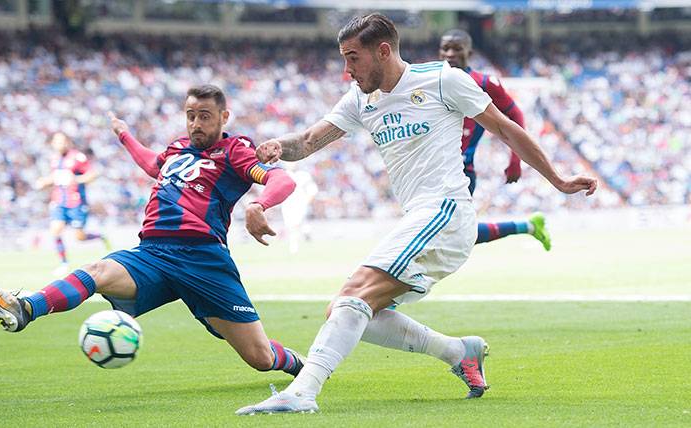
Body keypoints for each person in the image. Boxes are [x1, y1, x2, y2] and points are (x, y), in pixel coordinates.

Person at [237, 14, 597, 415]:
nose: (347, 69)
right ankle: (459, 351)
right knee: (348, 309)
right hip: (420, 217)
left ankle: (303, 391)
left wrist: (558, 179)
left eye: (353, 58)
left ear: (384, 51)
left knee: (354, 296)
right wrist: (275, 147)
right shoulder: (361, 98)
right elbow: (306, 141)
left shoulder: (443, 79)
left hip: (446, 210)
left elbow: (506, 128)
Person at [0, 84, 305, 378]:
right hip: (153, 254)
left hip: (203, 260)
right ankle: (25, 308)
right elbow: (151, 164)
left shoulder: (235, 151)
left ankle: (300, 365)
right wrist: (124, 135)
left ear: (224, 116)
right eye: (190, 115)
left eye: (205, 116)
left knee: (259, 357)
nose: (196, 124)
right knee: (97, 270)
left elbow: (281, 179)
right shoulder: (176, 149)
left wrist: (259, 206)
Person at [439, 29, 550, 250]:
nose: (450, 53)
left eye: (457, 49)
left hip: (461, 171)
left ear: (469, 51)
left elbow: (515, 115)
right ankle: (528, 226)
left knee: (446, 234)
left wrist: (516, 159)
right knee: (454, 235)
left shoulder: (484, 83)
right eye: (445, 49)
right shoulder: (429, 81)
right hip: (431, 170)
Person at [35, 132, 110, 275]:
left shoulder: (78, 157)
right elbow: (55, 177)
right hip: (58, 201)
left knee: (79, 237)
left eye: (62, 141)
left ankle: (100, 236)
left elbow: (92, 174)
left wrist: (77, 180)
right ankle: (64, 263)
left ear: (67, 142)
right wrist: (44, 182)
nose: (59, 144)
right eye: (56, 141)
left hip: (76, 202)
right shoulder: (54, 159)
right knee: (55, 230)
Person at [280, 165, 319, 254]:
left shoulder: (304, 175)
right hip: (287, 203)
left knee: (295, 225)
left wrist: (306, 202)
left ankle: (294, 247)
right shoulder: (283, 174)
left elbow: (313, 190)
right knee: (290, 226)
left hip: (299, 203)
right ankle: (306, 231)